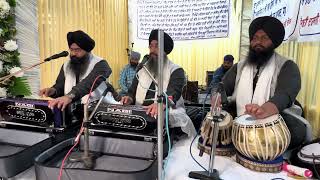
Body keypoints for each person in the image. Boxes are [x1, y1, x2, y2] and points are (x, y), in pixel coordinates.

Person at [222, 16, 305, 148]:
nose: (258, 42)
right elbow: (222, 87)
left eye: (264, 38)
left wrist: (264, 109)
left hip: (274, 116)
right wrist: (217, 96)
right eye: (254, 38)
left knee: (297, 130)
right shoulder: (240, 66)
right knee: (210, 118)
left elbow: (285, 94)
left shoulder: (287, 66)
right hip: (240, 115)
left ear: (274, 41)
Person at [120, 29, 196, 137]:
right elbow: (132, 90)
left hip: (168, 114)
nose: (152, 50)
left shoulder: (176, 70)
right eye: (151, 46)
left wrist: (161, 103)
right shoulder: (142, 69)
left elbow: (172, 93)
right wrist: (129, 98)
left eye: (156, 46)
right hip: (140, 115)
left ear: (165, 50)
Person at [39, 30, 112, 111]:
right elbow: (61, 85)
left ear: (87, 50)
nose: (73, 53)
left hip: (97, 110)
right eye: (71, 49)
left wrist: (69, 96)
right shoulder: (67, 65)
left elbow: (88, 83)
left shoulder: (101, 64)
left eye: (77, 50)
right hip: (73, 112)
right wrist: (53, 91)